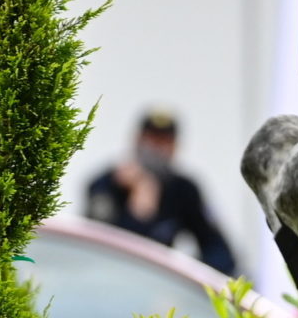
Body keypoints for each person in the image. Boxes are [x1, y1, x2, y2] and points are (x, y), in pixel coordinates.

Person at [83, 108, 237, 274]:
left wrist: (189, 275)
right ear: (137, 140)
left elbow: (219, 252)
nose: (157, 150)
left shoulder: (184, 189)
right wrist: (140, 206)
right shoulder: (105, 185)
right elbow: (99, 247)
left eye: (165, 142)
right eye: (152, 140)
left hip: (160, 286)